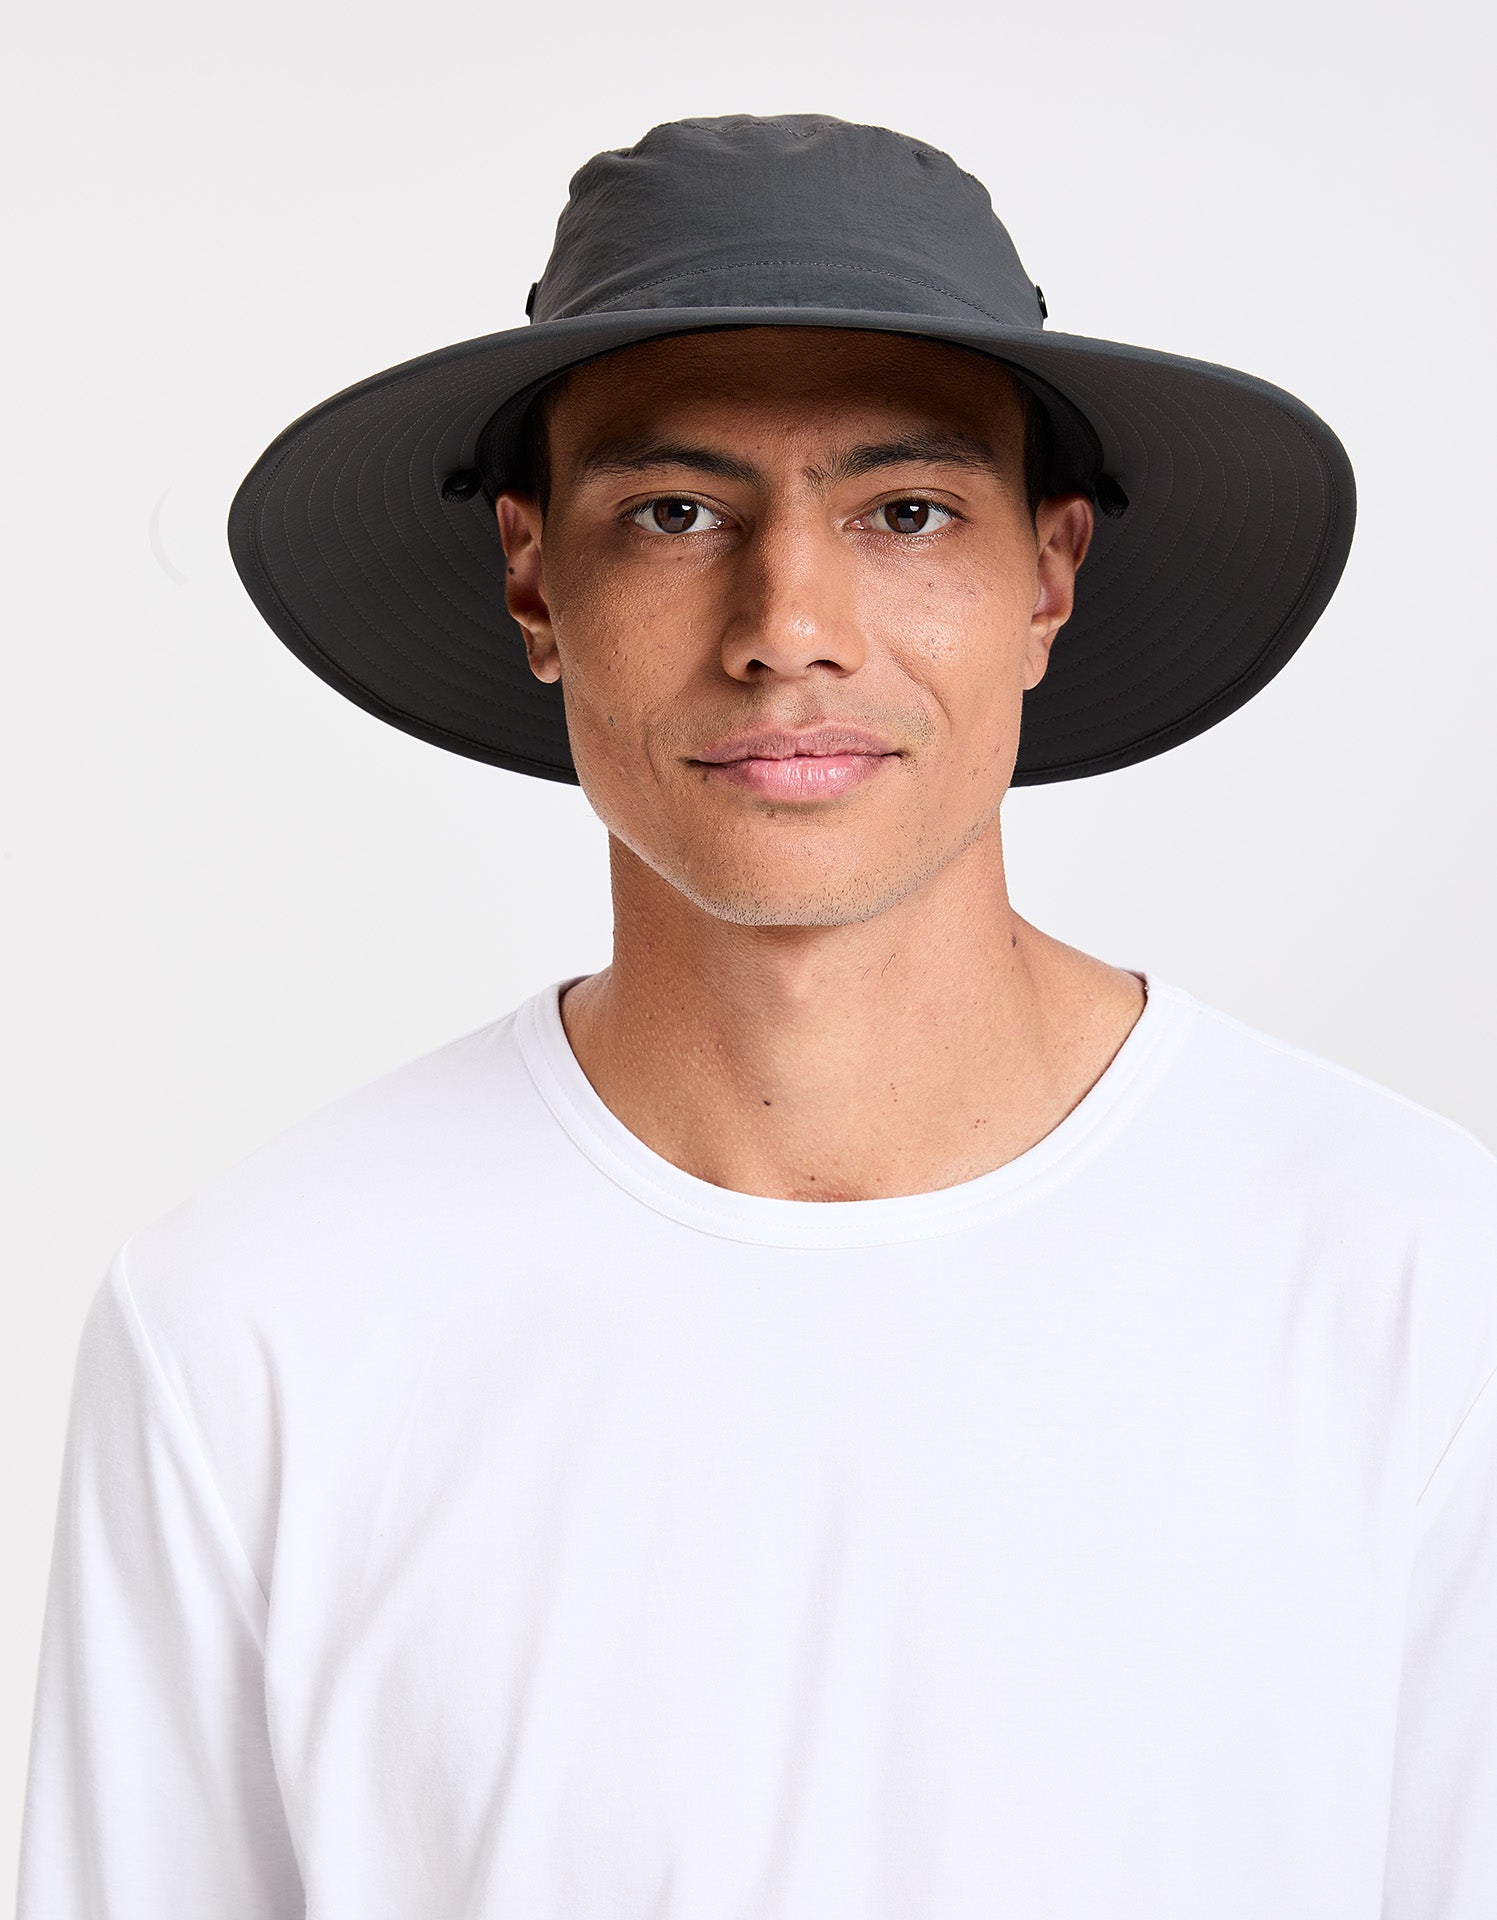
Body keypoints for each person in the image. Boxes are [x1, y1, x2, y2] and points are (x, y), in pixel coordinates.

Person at [17, 114, 1495, 1918]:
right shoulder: (260, 1318)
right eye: (674, 512)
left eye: (904, 512)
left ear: (1047, 575)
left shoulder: (1412, 1275)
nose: (787, 624)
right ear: (532, 581)